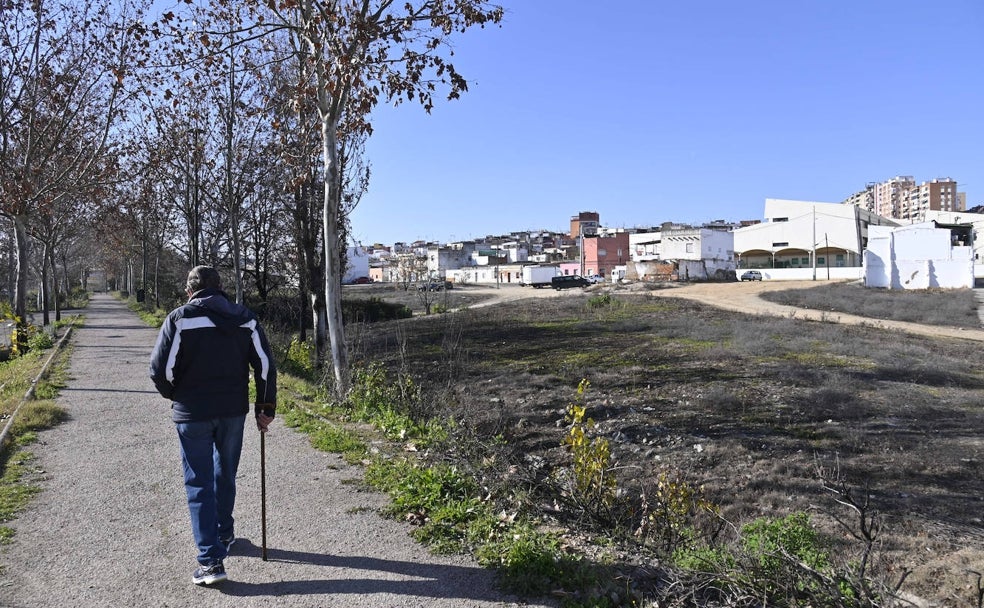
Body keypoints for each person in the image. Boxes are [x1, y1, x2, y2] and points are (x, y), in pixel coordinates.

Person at [149, 266, 277, 586]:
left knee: (199, 482)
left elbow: (159, 370)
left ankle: (210, 561)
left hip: (192, 413)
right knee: (225, 472)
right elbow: (264, 365)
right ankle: (224, 534)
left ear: (189, 291)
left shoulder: (180, 318)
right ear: (221, 288)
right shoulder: (245, 318)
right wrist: (265, 407)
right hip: (233, 411)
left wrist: (177, 396)